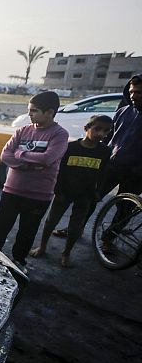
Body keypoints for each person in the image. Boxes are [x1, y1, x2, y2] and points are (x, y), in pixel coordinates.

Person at [53, 74, 142, 239]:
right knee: (90, 199)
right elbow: (108, 137)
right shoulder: (124, 111)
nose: (133, 96)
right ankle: (75, 230)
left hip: (135, 172)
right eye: (131, 92)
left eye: (138, 92)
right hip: (112, 165)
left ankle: (108, 240)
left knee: (124, 208)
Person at [0, 91, 69, 273]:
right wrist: (26, 163)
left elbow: (47, 159)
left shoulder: (59, 134)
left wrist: (20, 154)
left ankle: (18, 261)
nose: (30, 114)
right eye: (29, 110)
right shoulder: (22, 131)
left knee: (27, 231)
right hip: (11, 190)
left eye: (34, 111)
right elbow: (5, 155)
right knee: (0, 227)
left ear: (49, 112)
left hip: (39, 195)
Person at [29, 115, 112, 267]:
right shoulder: (71, 147)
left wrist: (97, 192)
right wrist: (57, 189)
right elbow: (59, 171)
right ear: (86, 128)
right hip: (64, 192)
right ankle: (42, 247)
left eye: (106, 131)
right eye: (97, 128)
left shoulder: (105, 152)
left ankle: (66, 253)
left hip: (85, 195)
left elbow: (103, 173)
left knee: (75, 226)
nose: (101, 134)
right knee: (51, 221)